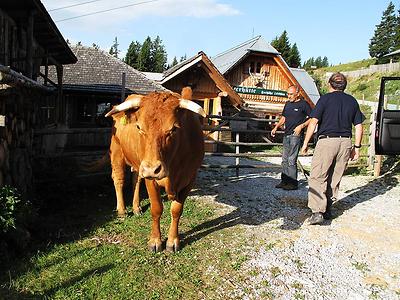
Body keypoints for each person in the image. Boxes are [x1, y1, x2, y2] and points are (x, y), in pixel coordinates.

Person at [301, 72, 365, 225]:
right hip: (345, 142)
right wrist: (356, 147)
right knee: (334, 177)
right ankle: (328, 208)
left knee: (318, 176)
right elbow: (359, 126)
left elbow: (313, 122)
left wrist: (305, 144)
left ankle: (317, 212)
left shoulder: (325, 99)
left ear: (329, 84)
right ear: (344, 86)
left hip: (327, 141)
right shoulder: (352, 101)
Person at [271, 85, 312, 190]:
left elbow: (312, 118)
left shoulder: (304, 104)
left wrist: (301, 126)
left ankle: (293, 184)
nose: (288, 96)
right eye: (287, 94)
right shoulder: (288, 104)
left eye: (291, 94)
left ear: (297, 94)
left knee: (291, 159)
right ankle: (284, 181)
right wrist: (276, 127)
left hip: (296, 135)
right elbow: (284, 117)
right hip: (286, 134)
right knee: (284, 159)